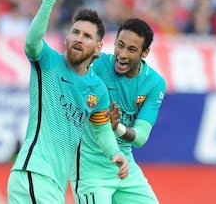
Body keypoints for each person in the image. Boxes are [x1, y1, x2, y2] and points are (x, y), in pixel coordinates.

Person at [7, 0, 129, 204]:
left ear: (98, 48)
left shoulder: (97, 89)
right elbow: (32, 42)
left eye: (87, 36)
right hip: (34, 173)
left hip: (56, 184)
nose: (78, 39)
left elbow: (101, 129)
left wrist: (116, 153)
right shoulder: (49, 62)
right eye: (75, 32)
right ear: (66, 37)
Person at [71, 18, 166, 204]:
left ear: (144, 52)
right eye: (120, 45)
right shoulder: (97, 65)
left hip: (124, 166)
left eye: (131, 50)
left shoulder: (154, 83)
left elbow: (140, 138)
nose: (122, 54)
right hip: (90, 168)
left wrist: (117, 128)